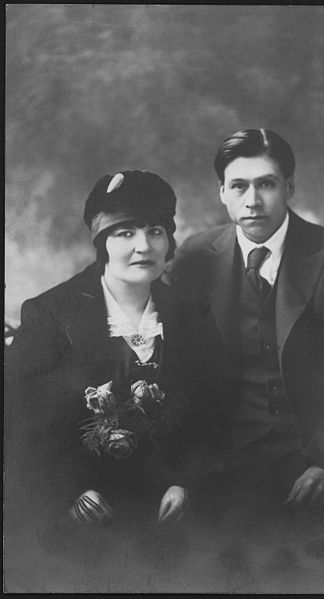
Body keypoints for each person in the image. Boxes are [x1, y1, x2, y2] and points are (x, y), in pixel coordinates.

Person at [168, 128, 324, 520]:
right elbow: (163, 354)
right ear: (221, 191)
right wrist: (181, 470)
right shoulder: (196, 256)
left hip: (315, 463)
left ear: (289, 187)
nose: (252, 201)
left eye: (266, 184)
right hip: (219, 467)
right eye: (238, 186)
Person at [5, 170, 213, 556]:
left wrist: (186, 483)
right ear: (102, 242)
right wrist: (71, 493)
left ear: (169, 240)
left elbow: (214, 415)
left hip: (172, 518)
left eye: (155, 231)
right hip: (78, 520)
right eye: (124, 233)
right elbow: (18, 428)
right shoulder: (51, 314)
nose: (143, 246)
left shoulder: (192, 315)